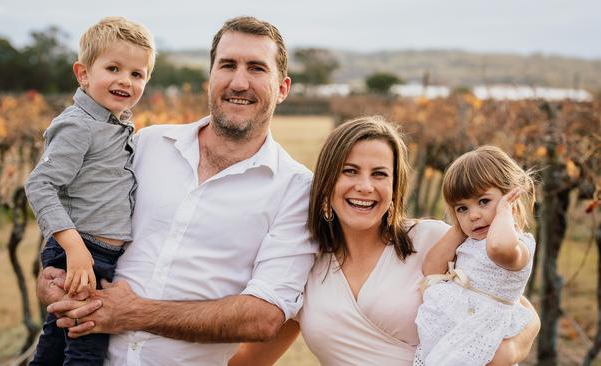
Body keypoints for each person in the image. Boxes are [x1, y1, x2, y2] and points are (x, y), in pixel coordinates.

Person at [37, 16, 318, 365]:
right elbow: (80, 214)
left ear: (282, 88)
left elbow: (263, 317)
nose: (239, 81)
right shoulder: (146, 144)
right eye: (227, 65)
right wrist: (53, 279)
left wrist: (133, 313)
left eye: (257, 69)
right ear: (210, 78)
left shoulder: (297, 189)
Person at [230, 117, 540, 366]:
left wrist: (508, 353)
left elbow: (517, 308)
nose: (365, 186)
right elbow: (249, 361)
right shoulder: (303, 263)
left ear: (395, 188)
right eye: (350, 171)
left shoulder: (433, 239)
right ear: (326, 184)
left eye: (379, 174)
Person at [25, 16, 155, 365]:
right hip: (82, 253)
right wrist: (73, 248)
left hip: (100, 255)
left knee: (56, 342)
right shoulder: (79, 126)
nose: (125, 80)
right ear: (83, 74)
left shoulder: (115, 124)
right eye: (113, 68)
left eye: (137, 74)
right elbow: (39, 183)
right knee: (87, 347)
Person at [414, 146, 536, 365]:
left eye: (483, 202)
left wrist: (504, 212)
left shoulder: (518, 244)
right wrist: (458, 229)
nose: (474, 215)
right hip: (458, 330)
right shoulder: (470, 240)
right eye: (462, 208)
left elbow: (497, 249)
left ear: (510, 197)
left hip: (484, 330)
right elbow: (431, 269)